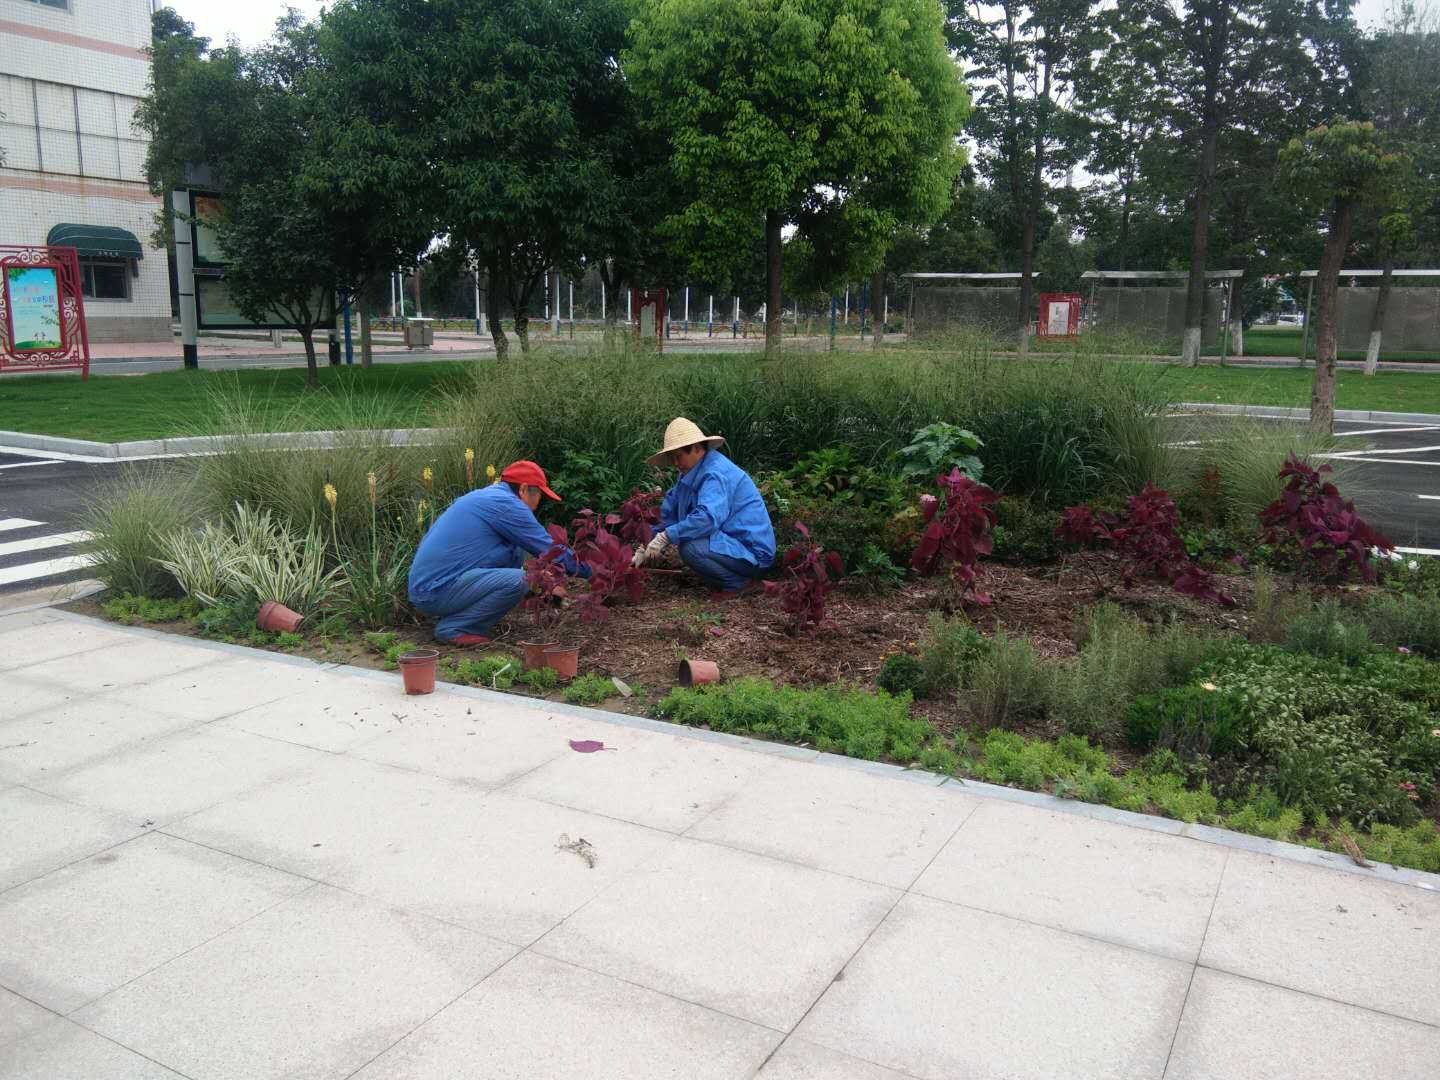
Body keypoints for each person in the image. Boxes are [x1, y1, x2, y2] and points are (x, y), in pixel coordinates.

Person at [408, 460, 587, 646]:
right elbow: (552, 551)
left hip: (433, 588)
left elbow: (507, 559)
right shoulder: (507, 505)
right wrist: (594, 571)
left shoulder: (489, 498)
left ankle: (461, 618)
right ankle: (456, 628)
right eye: (540, 494)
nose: (539, 503)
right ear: (524, 489)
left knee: (517, 558)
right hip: (435, 591)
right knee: (521, 579)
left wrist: (543, 585)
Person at [632, 417, 775, 598]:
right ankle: (730, 579)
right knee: (690, 543)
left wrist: (666, 537)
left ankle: (741, 585)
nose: (675, 464)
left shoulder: (715, 473)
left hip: (751, 552)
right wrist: (646, 544)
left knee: (691, 548)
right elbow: (670, 515)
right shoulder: (689, 473)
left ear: (697, 449)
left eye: (678, 457)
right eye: (672, 458)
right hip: (729, 544)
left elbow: (707, 518)